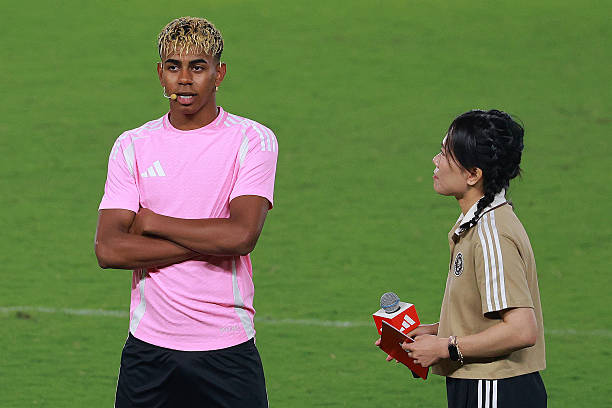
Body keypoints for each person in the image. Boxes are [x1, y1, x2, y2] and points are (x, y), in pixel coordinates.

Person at [94, 16, 277, 408]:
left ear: (218, 73)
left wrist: (153, 223)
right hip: (148, 350)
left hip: (226, 347)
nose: (184, 79)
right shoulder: (132, 145)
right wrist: (211, 242)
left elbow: (242, 236)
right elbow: (109, 250)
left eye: (197, 67)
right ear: (160, 74)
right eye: (174, 67)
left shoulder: (252, 140)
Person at [380, 110, 546, 407]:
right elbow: (485, 316)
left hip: (494, 389)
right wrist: (435, 332)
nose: (436, 160)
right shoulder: (478, 224)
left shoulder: (491, 235)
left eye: (446, 154)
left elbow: (522, 329)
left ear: (473, 174)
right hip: (483, 386)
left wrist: (445, 346)